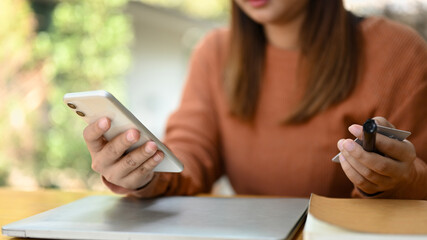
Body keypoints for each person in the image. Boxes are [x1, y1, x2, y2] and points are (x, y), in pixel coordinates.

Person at [83, 0, 427, 199]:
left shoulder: (399, 53)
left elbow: (420, 176)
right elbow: (190, 159)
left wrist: (398, 179)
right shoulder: (214, 53)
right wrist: (145, 172)